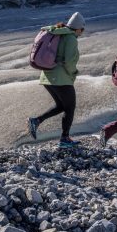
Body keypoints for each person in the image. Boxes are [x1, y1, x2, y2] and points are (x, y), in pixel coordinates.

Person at [27, 12, 84, 148]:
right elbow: (69, 61)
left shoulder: (57, 32)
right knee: (70, 108)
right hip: (61, 78)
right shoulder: (70, 38)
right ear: (78, 28)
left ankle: (36, 121)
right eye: (82, 30)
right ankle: (65, 139)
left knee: (61, 106)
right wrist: (74, 73)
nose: (82, 33)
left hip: (47, 76)